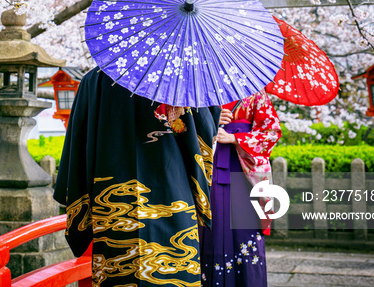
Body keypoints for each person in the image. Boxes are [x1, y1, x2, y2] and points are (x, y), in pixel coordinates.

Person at [53, 67, 223, 287]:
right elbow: (203, 137)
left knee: (118, 270)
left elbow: (77, 146)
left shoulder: (93, 80)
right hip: (173, 197)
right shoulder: (182, 76)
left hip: (112, 203)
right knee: (173, 270)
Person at [198, 90, 282, 287]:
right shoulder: (200, 89)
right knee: (210, 227)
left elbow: (271, 132)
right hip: (209, 168)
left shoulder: (254, 92)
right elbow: (181, 127)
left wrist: (236, 138)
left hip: (243, 171)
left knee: (245, 231)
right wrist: (210, 120)